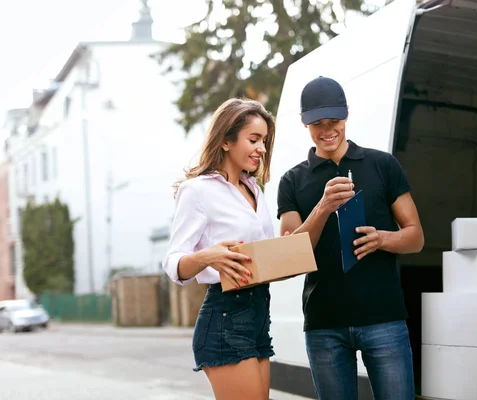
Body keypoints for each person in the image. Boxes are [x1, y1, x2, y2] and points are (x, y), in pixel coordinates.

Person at [277, 76, 425, 400]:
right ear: (305, 124)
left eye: (335, 120)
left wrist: (383, 240)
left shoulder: (383, 165)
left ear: (347, 115)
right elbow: (286, 261)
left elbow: (416, 237)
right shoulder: (291, 181)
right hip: (323, 324)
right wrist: (322, 208)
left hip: (384, 318)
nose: (328, 129)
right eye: (318, 123)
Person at [163, 98, 277, 400]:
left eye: (264, 141)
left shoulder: (254, 189)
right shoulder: (197, 190)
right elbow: (173, 262)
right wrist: (208, 256)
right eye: (253, 140)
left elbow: (264, 254)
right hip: (226, 317)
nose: (261, 149)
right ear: (226, 140)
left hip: (258, 315)